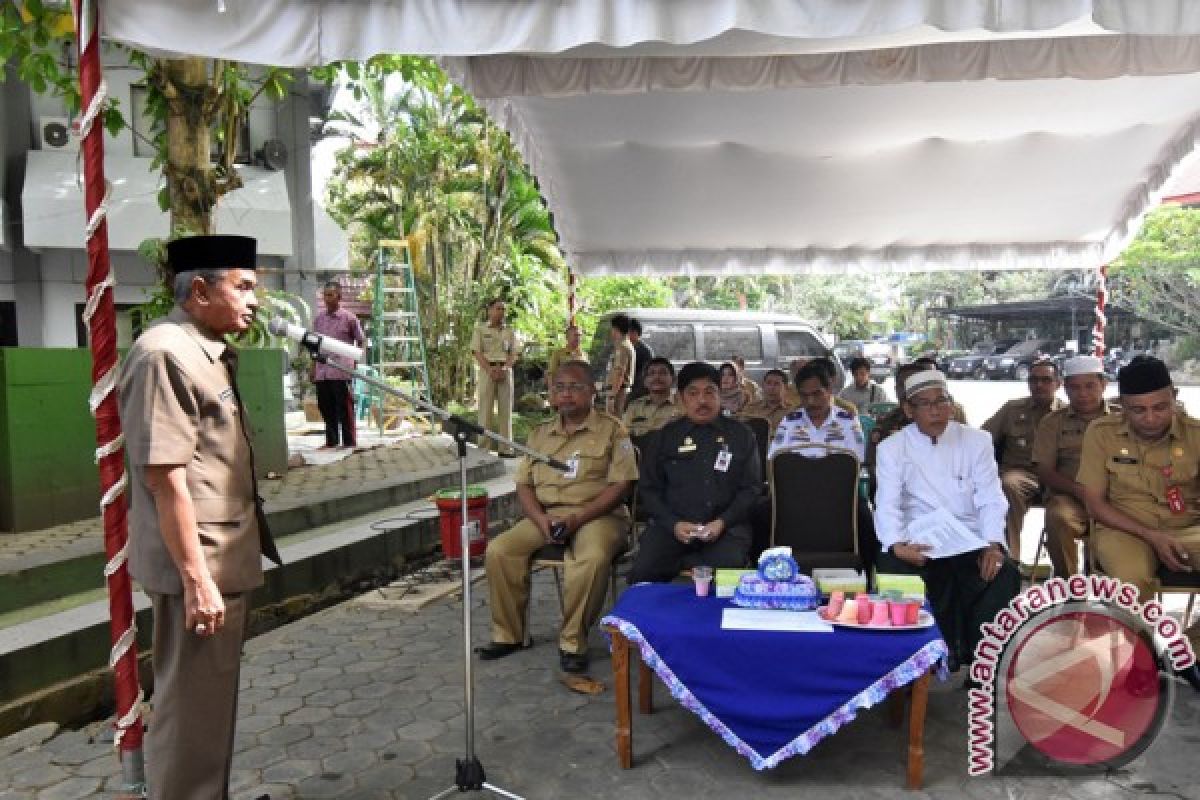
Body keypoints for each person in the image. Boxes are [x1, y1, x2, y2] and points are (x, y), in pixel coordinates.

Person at [118, 234, 282, 800]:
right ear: (201, 289)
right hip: (200, 568)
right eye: (243, 286)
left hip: (219, 558)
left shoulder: (202, 347)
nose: (254, 299)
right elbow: (165, 479)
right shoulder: (166, 354)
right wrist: (196, 580)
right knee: (191, 716)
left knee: (209, 708)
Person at [478, 361, 637, 674]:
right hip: (547, 515)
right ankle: (509, 635)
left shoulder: (613, 430)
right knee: (500, 551)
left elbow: (622, 485)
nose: (566, 395)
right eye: (559, 388)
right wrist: (539, 520)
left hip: (598, 515)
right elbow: (523, 483)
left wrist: (578, 519)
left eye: (575, 387)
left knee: (590, 558)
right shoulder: (540, 434)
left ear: (592, 391)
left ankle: (572, 641)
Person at [874, 369, 1021, 673]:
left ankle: (981, 657)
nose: (936, 410)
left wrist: (993, 543)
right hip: (919, 537)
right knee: (893, 565)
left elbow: (991, 498)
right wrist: (896, 544)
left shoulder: (977, 441)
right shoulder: (892, 447)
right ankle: (923, 657)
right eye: (925, 404)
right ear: (908, 410)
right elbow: (887, 504)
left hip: (969, 535)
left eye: (942, 401)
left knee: (1002, 572)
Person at [1078, 356, 1200, 690]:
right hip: (1124, 527)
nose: (1150, 418)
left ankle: (1187, 650)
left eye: (1160, 407)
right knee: (1130, 580)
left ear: (1174, 396)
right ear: (1121, 405)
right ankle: (1143, 657)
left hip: (1187, 528)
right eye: (1138, 410)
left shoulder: (1196, 435)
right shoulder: (1100, 433)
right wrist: (1152, 536)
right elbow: (1095, 503)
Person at [628, 362, 762, 583]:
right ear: (681, 398)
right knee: (644, 571)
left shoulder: (741, 435)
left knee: (728, 570)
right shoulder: (665, 437)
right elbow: (649, 490)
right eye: (693, 393)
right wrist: (673, 524)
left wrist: (722, 522)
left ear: (721, 395)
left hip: (725, 529)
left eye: (710, 392)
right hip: (672, 528)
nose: (702, 400)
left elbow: (752, 488)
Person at [769, 361, 877, 568]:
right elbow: (774, 461)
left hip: (839, 496)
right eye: (804, 395)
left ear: (830, 390)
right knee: (759, 514)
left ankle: (864, 577)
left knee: (866, 519)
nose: (811, 401)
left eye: (817, 394)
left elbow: (856, 459)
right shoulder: (789, 422)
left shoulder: (848, 421)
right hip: (796, 497)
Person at [1032, 355, 1112, 577]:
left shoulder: (1120, 418)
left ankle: (1112, 592)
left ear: (1103, 385)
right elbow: (1043, 470)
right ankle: (1069, 586)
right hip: (1070, 498)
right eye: (1075, 387)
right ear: (1064, 388)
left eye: (1090, 386)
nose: (1083, 393)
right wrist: (1078, 490)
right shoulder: (1052, 422)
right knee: (1059, 516)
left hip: (1117, 498)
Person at [981, 358, 1065, 553]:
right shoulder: (1012, 410)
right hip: (1021, 475)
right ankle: (1010, 559)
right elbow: (981, 439)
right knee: (1008, 485)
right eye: (1034, 380)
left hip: (1058, 478)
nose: (1039, 385)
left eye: (1046, 380)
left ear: (1058, 384)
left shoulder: (1067, 413)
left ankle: (1072, 577)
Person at [312, 280, 367, 449]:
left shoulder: (349, 319)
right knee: (325, 406)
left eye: (330, 295)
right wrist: (312, 367)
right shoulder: (319, 319)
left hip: (341, 369)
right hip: (322, 370)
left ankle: (349, 442)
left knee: (344, 406)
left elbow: (362, 340)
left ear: (339, 297)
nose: (327, 299)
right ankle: (332, 441)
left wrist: (355, 362)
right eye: (324, 295)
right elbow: (314, 344)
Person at [471, 297, 519, 456]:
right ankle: (483, 447)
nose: (501, 312)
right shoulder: (480, 330)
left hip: (505, 371)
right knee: (485, 410)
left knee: (506, 411)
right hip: (487, 371)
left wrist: (505, 368)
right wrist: (490, 370)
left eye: (503, 309)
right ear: (489, 310)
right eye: (498, 308)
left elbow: (514, 353)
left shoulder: (509, 331)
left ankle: (506, 448)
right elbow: (477, 352)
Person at [622, 357, 681, 438]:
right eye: (652, 373)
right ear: (645, 381)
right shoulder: (634, 407)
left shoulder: (683, 405)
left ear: (673, 379)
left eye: (663, 373)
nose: (657, 377)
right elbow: (623, 435)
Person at [606, 313, 637, 415]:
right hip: (621, 390)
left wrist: (612, 395)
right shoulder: (627, 344)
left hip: (619, 392)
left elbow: (619, 372)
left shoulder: (622, 347)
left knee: (615, 422)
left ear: (616, 328)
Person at [627, 317, 654, 400]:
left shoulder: (644, 351)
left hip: (639, 392)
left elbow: (645, 375)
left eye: (627, 332)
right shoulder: (628, 348)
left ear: (635, 333)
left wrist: (631, 394)